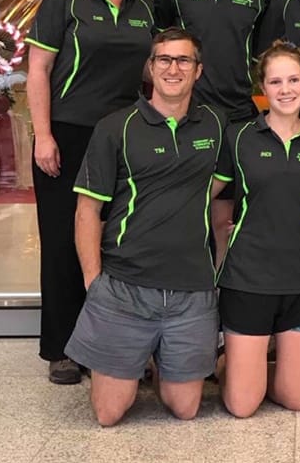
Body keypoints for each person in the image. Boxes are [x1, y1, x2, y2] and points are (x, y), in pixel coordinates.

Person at [65, 28, 224, 424]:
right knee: (108, 412)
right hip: (125, 288)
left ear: (198, 70)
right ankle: (139, 357)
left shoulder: (216, 127)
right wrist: (93, 281)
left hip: (191, 290)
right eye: (164, 60)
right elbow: (87, 211)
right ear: (150, 68)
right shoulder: (115, 128)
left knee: (185, 407)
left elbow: (219, 190)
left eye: (183, 60)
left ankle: (159, 357)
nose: (174, 68)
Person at [25, 0, 156, 385]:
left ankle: (116, 343)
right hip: (67, 133)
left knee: (117, 242)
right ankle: (62, 348)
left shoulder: (144, 5)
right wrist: (43, 134)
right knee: (63, 243)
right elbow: (38, 69)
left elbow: (152, 72)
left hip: (122, 138)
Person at [212, 41, 300, 417]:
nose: (285, 90)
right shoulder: (239, 137)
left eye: (293, 80)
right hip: (248, 280)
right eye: (276, 81)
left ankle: (251, 366)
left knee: (297, 399)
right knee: (244, 406)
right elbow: (210, 198)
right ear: (262, 88)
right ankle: (228, 365)